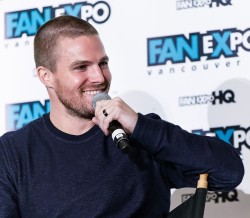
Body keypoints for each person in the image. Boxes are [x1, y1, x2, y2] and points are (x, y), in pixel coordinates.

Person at [0, 15, 244, 218]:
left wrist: (140, 126)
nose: (99, 77)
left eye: (103, 63)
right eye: (81, 67)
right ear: (46, 76)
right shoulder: (13, 152)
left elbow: (229, 173)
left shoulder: (140, 135)